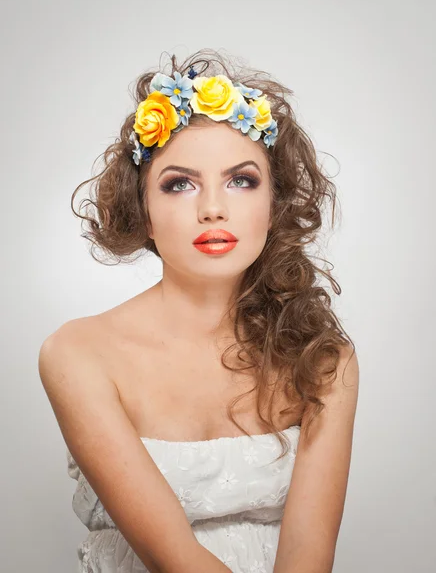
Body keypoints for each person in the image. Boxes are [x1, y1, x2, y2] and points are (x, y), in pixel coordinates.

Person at [38, 48, 359, 573]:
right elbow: (180, 563)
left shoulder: (326, 361)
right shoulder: (77, 355)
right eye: (180, 183)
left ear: (273, 207)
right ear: (142, 213)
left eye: (241, 180)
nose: (213, 207)